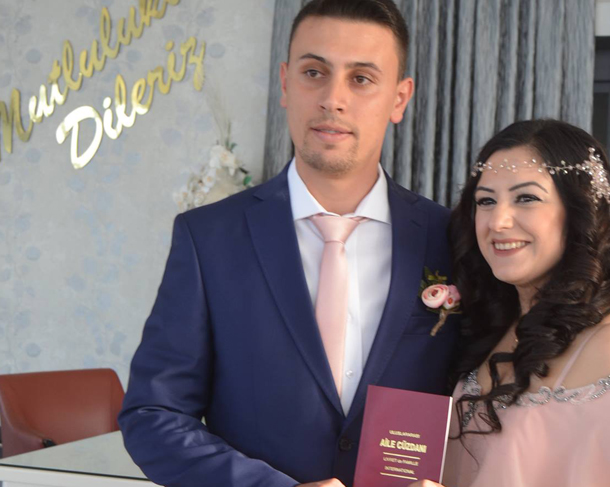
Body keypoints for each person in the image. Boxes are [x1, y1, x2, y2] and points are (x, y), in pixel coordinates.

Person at [118, 1, 458, 486]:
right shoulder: (208, 238)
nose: (332, 99)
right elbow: (154, 414)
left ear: (399, 98)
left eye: (361, 79)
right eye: (314, 72)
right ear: (284, 83)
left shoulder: (452, 240)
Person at [413, 119, 610, 486]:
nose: (497, 222)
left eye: (526, 198)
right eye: (486, 201)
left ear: (579, 209)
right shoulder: (503, 323)